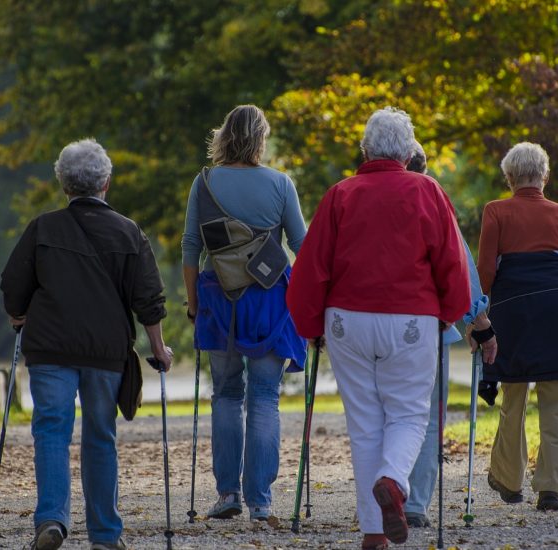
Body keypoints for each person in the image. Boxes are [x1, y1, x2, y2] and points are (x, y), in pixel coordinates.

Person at [287, 107, 472, 550]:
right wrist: (450, 312)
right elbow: (452, 262)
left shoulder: (340, 194)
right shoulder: (428, 191)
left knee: (365, 423)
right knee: (408, 414)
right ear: (409, 153)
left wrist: (310, 325)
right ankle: (393, 480)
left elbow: (312, 267)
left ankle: (374, 532)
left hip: (347, 320)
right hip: (410, 317)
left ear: (365, 150)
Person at [1, 138, 173, 550]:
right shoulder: (129, 232)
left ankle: (52, 520)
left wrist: (18, 313)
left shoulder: (43, 228)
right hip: (105, 351)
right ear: (106, 183)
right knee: (100, 434)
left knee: (51, 430)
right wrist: (159, 348)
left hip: (50, 348)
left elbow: (13, 281)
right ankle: (105, 534)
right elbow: (148, 299)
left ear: (64, 184)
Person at [181, 104, 308, 522]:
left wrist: (194, 304)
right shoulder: (280, 184)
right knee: (265, 396)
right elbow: (302, 247)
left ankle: (227, 493)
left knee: (226, 393)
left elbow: (190, 247)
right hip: (269, 299)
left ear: (224, 136)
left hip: (218, 297)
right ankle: (261, 501)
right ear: (260, 139)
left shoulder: (204, 183)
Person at [477, 142, 558, 512]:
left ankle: (509, 479)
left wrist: (479, 313)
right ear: (545, 176)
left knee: (513, 397)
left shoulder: (495, 211)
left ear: (509, 178)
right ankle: (550, 490)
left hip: (513, 315)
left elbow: (486, 273)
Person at [402, 143, 496, 528]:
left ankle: (387, 492)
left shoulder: (360, 197)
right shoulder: (433, 199)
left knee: (385, 415)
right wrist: (480, 323)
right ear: (423, 169)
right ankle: (415, 503)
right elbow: (460, 265)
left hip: (372, 325)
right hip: (430, 327)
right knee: (428, 417)